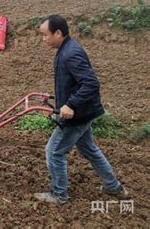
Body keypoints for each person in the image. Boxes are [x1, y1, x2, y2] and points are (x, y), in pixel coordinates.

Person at [35, 14, 127, 205]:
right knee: (90, 150)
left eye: (45, 35)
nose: (43, 39)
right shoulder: (65, 49)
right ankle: (113, 187)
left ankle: (59, 195)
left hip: (78, 115)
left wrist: (70, 104)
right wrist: (56, 100)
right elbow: (74, 83)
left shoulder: (70, 53)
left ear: (58, 33)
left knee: (54, 151)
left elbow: (91, 83)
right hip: (84, 112)